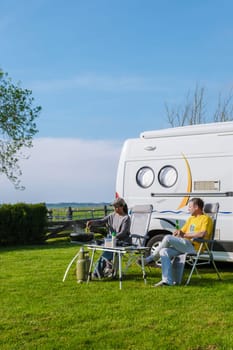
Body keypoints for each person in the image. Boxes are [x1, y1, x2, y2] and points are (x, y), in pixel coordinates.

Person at [138, 198, 213, 287]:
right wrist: (178, 233)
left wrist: (184, 235)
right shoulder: (191, 219)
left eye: (190, 207)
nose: (188, 209)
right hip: (185, 246)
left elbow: (202, 234)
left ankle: (151, 259)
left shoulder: (206, 219)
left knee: (167, 237)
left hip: (195, 247)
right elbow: (182, 232)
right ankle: (167, 281)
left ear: (196, 207)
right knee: (164, 251)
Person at [86, 197, 131, 278]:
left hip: (123, 242)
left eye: (116, 207)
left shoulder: (126, 218)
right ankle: (105, 269)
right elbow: (101, 221)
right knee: (107, 250)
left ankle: (97, 273)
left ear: (122, 207)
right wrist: (92, 222)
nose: (114, 209)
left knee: (107, 252)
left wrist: (111, 238)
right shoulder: (112, 215)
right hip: (112, 241)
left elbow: (123, 233)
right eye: (114, 207)